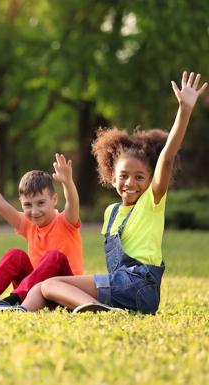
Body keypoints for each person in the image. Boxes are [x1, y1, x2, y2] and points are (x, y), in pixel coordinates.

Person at [26, 71, 207, 314]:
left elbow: (167, 157)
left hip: (140, 285)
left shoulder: (151, 201)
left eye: (139, 177)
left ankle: (97, 308)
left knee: (50, 284)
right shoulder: (111, 212)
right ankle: (20, 310)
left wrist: (184, 111)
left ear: (151, 180)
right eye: (123, 176)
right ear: (112, 177)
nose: (130, 183)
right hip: (121, 288)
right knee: (43, 288)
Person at [0, 154, 82, 312]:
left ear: (54, 199)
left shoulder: (66, 221)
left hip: (63, 291)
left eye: (41, 203)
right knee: (15, 255)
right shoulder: (28, 224)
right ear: (21, 204)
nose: (34, 211)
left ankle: (14, 300)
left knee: (54, 257)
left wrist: (67, 182)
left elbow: (72, 202)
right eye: (27, 205)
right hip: (34, 293)